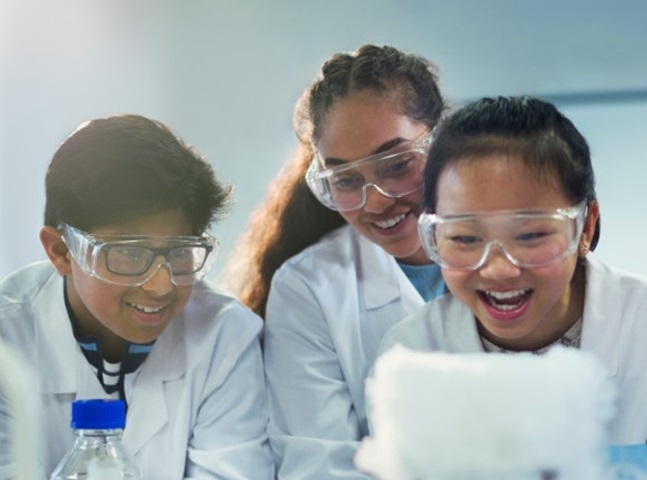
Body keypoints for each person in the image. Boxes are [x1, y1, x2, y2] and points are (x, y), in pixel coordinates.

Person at [376, 96, 647, 451]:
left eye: (530, 236)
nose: (498, 269)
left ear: (585, 226)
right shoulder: (410, 352)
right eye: (465, 238)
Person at [0, 114, 273, 479]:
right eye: (128, 253)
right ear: (61, 252)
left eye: (179, 252)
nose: (161, 286)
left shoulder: (224, 337)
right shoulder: (8, 342)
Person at [225, 44, 446, 478]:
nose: (376, 200)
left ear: (443, 142)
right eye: (346, 180)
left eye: (398, 164)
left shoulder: (516, 253)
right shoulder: (310, 287)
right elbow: (319, 466)